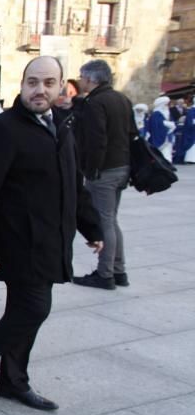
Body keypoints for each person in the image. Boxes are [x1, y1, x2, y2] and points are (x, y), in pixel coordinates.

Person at [0, 56, 103, 412]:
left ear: (61, 86)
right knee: (33, 309)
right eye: (33, 82)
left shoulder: (62, 126)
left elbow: (74, 185)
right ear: (21, 85)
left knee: (26, 310)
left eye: (49, 83)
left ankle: (12, 381)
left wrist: (93, 227)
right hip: (18, 242)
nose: (40, 90)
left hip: (52, 241)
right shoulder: (2, 129)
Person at [71, 59, 134, 290]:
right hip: (121, 167)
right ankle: (118, 270)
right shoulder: (122, 99)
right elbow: (131, 134)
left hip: (104, 170)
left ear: (90, 79)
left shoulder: (95, 102)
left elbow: (96, 139)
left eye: (81, 76)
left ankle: (105, 273)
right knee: (111, 219)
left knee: (104, 221)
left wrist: (91, 170)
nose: (79, 80)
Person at [147, 96, 176, 162]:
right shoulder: (156, 114)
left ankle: (167, 162)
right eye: (165, 104)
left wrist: (172, 125)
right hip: (160, 136)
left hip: (168, 136)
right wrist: (166, 124)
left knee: (167, 151)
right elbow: (156, 125)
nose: (167, 106)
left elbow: (172, 121)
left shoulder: (168, 113)